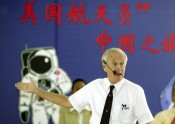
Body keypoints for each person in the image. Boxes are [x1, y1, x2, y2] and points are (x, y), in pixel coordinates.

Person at [15, 47, 154, 124]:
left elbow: (147, 121)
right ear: (104, 66)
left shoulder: (135, 91)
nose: (119, 68)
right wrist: (36, 90)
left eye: (122, 64)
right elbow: (66, 101)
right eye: (115, 64)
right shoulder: (94, 87)